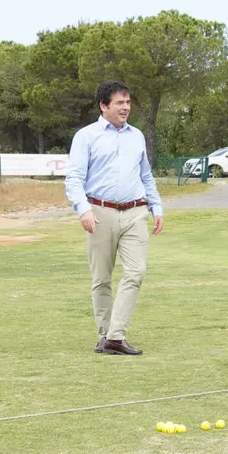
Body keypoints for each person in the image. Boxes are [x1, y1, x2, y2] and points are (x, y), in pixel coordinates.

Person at [65, 80, 164, 356]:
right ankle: (105, 335)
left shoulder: (137, 136)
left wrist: (157, 207)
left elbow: (146, 175)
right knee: (101, 278)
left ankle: (115, 336)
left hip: (135, 212)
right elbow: (74, 177)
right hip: (99, 212)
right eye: (120, 103)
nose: (126, 108)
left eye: (128, 102)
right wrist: (83, 209)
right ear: (103, 105)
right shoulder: (86, 136)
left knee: (136, 272)